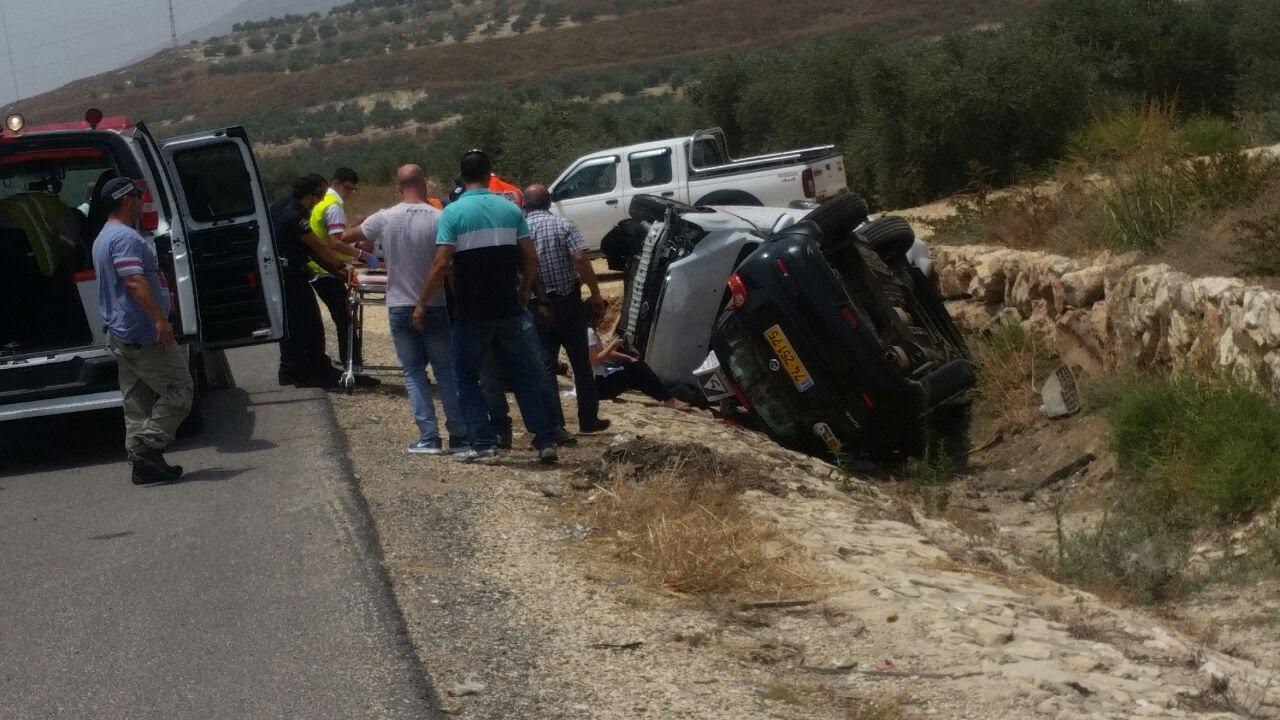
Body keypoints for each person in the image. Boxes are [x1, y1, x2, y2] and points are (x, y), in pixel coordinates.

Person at [413, 149, 559, 464]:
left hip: (471, 311)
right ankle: (546, 439)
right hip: (508, 306)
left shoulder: (453, 213)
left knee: (467, 377)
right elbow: (531, 258)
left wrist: (422, 303)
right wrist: (523, 289)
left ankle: (483, 443)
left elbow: (441, 263)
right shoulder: (511, 209)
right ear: (489, 173)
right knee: (523, 375)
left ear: (462, 177)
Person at [344, 164, 469, 455]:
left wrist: (361, 244)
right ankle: (460, 436)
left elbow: (343, 238)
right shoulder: (441, 217)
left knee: (413, 373)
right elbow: (449, 266)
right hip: (435, 305)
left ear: (398, 186)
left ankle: (429, 437)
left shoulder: (385, 217)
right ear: (424, 184)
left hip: (400, 304)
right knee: (446, 372)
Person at [91, 178, 193, 485]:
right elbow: (134, 281)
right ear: (125, 200)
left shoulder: (104, 236)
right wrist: (160, 319)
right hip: (141, 333)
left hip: (121, 332)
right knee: (180, 390)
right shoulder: (124, 238)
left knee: (137, 400)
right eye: (138, 195)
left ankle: (143, 466)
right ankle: (148, 448)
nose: (142, 200)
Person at [523, 183, 610, 434]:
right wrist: (594, 292)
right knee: (581, 364)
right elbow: (581, 258)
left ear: (526, 205)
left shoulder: (522, 231)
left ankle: (555, 423)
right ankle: (588, 420)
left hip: (539, 306)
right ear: (549, 203)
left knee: (547, 367)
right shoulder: (564, 225)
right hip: (568, 303)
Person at [271, 174, 348, 389]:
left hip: (281, 274)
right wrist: (342, 267)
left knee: (292, 325)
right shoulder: (296, 216)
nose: (321, 199)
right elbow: (318, 247)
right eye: (321, 194)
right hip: (291, 275)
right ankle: (313, 370)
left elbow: (311, 252)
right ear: (312, 194)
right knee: (310, 323)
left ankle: (290, 370)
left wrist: (334, 269)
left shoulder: (282, 206)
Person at [307, 167, 379, 385]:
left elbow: (334, 237)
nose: (349, 192)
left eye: (353, 189)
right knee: (346, 320)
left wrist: (352, 228)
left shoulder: (323, 202)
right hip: (327, 271)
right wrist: (364, 254)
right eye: (347, 188)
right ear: (336, 182)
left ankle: (351, 366)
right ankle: (352, 371)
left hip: (319, 268)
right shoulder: (334, 206)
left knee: (344, 318)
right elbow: (336, 242)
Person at [588, 324, 691, 411]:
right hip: (596, 386)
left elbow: (606, 355)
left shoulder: (587, 331)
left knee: (636, 368)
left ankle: (665, 396)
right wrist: (613, 345)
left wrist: (629, 358)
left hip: (595, 383)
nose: (601, 311)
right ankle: (669, 399)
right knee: (638, 370)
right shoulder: (589, 333)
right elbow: (596, 361)